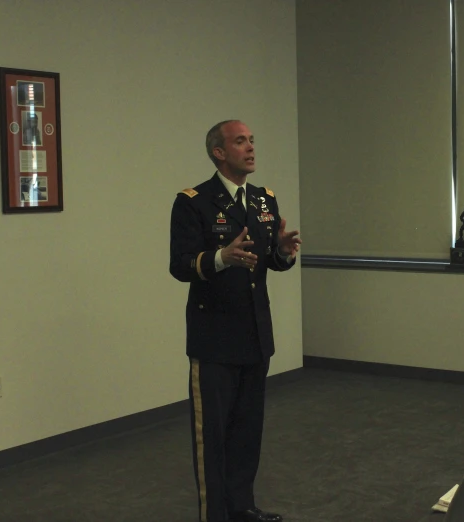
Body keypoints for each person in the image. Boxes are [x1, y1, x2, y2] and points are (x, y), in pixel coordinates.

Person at [169, 120, 301, 522]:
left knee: (246, 432)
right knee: (213, 438)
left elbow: (268, 264)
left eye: (252, 140)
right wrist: (221, 258)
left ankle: (242, 507)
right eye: (240, 141)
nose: (250, 148)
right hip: (214, 341)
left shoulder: (264, 200)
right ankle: (215, 516)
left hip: (255, 335)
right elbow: (180, 266)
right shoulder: (194, 201)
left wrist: (281, 252)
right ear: (219, 153)